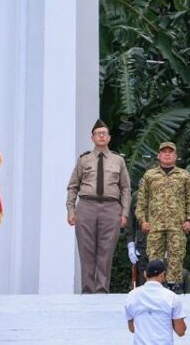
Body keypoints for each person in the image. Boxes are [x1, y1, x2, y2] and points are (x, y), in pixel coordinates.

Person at [66, 119, 131, 293]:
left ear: (109, 138)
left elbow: (125, 188)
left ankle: (102, 291)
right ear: (92, 138)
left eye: (104, 133)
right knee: (86, 251)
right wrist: (71, 210)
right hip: (86, 206)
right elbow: (73, 186)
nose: (101, 136)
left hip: (111, 208)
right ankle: (87, 291)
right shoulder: (84, 159)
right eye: (98, 133)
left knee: (106, 251)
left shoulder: (118, 161)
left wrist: (124, 213)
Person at [136, 142, 190, 293]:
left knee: (176, 257)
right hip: (155, 226)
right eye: (164, 152)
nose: (167, 154)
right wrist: (142, 220)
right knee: (155, 258)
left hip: (177, 225)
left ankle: (174, 288)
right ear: (159, 155)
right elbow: (142, 200)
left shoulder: (184, 176)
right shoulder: (150, 176)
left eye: (171, 152)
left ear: (176, 156)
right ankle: (155, 289)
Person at [126, 189, 190, 292]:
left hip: (168, 243)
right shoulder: (138, 195)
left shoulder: (173, 192)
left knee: (170, 281)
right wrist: (130, 243)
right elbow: (131, 222)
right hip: (143, 245)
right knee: (144, 283)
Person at [124, 258, 187, 344]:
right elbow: (180, 331)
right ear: (163, 275)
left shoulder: (132, 295)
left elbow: (132, 328)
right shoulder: (172, 297)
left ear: (145, 274)